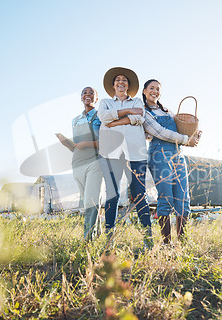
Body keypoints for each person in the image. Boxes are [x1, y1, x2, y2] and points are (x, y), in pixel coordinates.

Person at [97, 67, 153, 250]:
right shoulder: (105, 102)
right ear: (113, 85)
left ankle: (147, 239)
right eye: (118, 80)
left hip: (135, 153)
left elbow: (140, 117)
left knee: (139, 195)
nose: (121, 82)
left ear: (128, 85)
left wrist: (115, 121)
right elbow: (104, 118)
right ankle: (109, 240)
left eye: (124, 80)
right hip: (111, 153)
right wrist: (128, 113)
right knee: (111, 196)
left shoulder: (138, 100)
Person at [142, 79, 201, 245]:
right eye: (151, 88)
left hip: (178, 155)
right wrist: (185, 139)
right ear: (145, 91)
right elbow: (160, 132)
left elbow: (182, 127)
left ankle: (183, 242)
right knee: (166, 198)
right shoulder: (144, 113)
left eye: (158, 89)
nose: (155, 91)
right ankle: (166, 243)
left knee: (183, 199)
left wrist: (194, 133)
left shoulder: (168, 111)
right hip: (159, 155)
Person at [56, 87, 102, 241]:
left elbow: (106, 143)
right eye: (84, 93)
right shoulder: (75, 120)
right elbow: (75, 146)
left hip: (94, 161)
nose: (87, 95)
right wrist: (66, 143)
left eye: (91, 93)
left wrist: (87, 143)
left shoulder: (100, 117)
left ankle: (88, 239)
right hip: (77, 163)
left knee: (91, 201)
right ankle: (97, 233)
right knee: (87, 202)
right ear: (81, 98)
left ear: (96, 98)